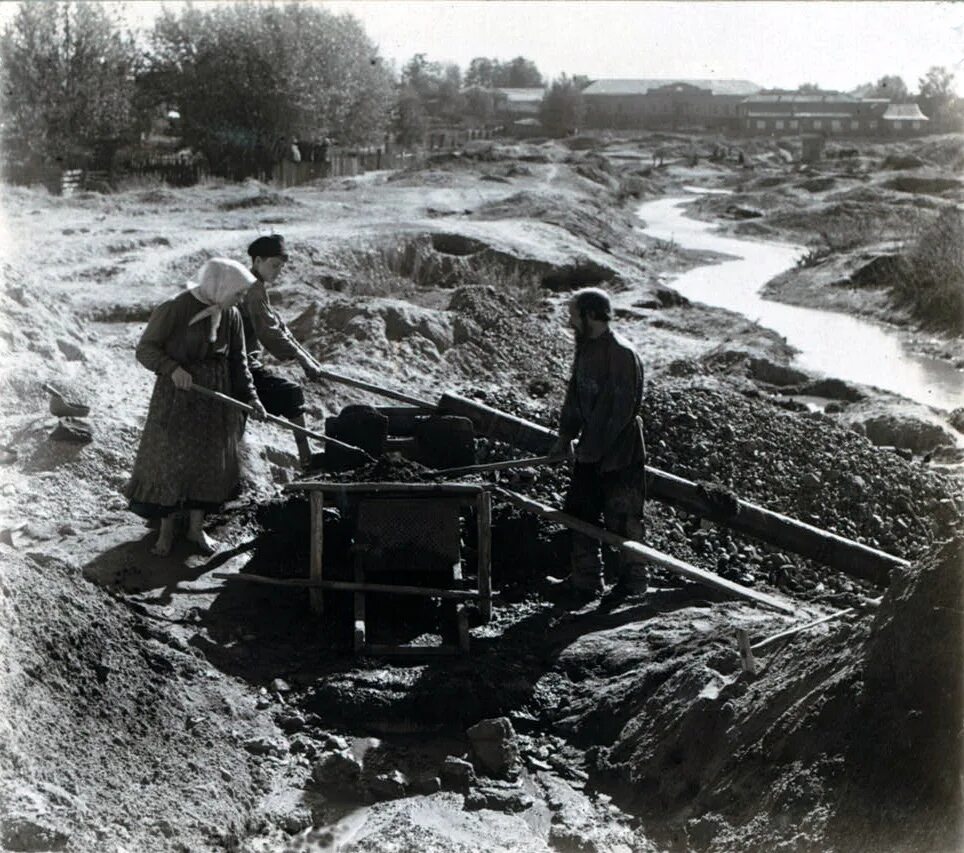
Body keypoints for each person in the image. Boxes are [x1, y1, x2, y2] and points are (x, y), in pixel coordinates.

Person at [125, 258, 267, 556]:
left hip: (215, 399)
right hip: (178, 395)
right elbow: (145, 349)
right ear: (220, 285)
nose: (240, 299)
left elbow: (238, 361)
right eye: (238, 293)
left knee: (208, 463)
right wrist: (171, 368)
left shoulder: (232, 315)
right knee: (173, 460)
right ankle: (165, 533)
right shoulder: (175, 307)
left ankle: (195, 529)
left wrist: (252, 398)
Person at [549, 287, 648, 602]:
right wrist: (565, 438)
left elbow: (618, 412)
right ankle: (587, 579)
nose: (571, 323)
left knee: (623, 518)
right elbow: (574, 400)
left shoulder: (621, 354)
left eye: (574, 316)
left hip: (621, 452)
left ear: (591, 315)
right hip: (590, 450)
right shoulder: (585, 350)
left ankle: (634, 583)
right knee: (579, 513)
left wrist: (595, 451)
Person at [240, 234, 323, 468]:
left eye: (281, 267)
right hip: (239, 363)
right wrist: (302, 360)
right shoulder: (251, 289)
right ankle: (306, 460)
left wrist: (305, 357)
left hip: (244, 359)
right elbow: (270, 333)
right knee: (291, 394)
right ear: (257, 261)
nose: (278, 271)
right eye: (274, 265)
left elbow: (277, 324)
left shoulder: (255, 286)